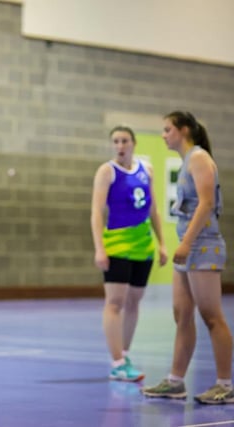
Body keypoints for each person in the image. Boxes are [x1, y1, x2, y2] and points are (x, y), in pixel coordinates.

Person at [142, 111, 233, 404]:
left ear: (183, 130)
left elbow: (206, 203)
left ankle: (225, 384)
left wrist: (187, 243)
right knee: (182, 314)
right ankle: (176, 381)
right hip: (189, 245)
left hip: (203, 246)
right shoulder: (187, 161)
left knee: (212, 316)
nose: (163, 135)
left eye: (167, 130)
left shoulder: (198, 158)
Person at [90, 125, 168, 382]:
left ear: (133, 143)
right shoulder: (107, 171)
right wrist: (100, 247)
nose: (120, 145)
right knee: (115, 303)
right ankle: (116, 362)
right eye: (116, 141)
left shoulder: (147, 170)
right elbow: (97, 212)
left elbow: (154, 210)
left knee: (134, 302)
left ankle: (125, 353)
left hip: (143, 245)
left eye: (124, 141)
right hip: (117, 245)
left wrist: (163, 244)